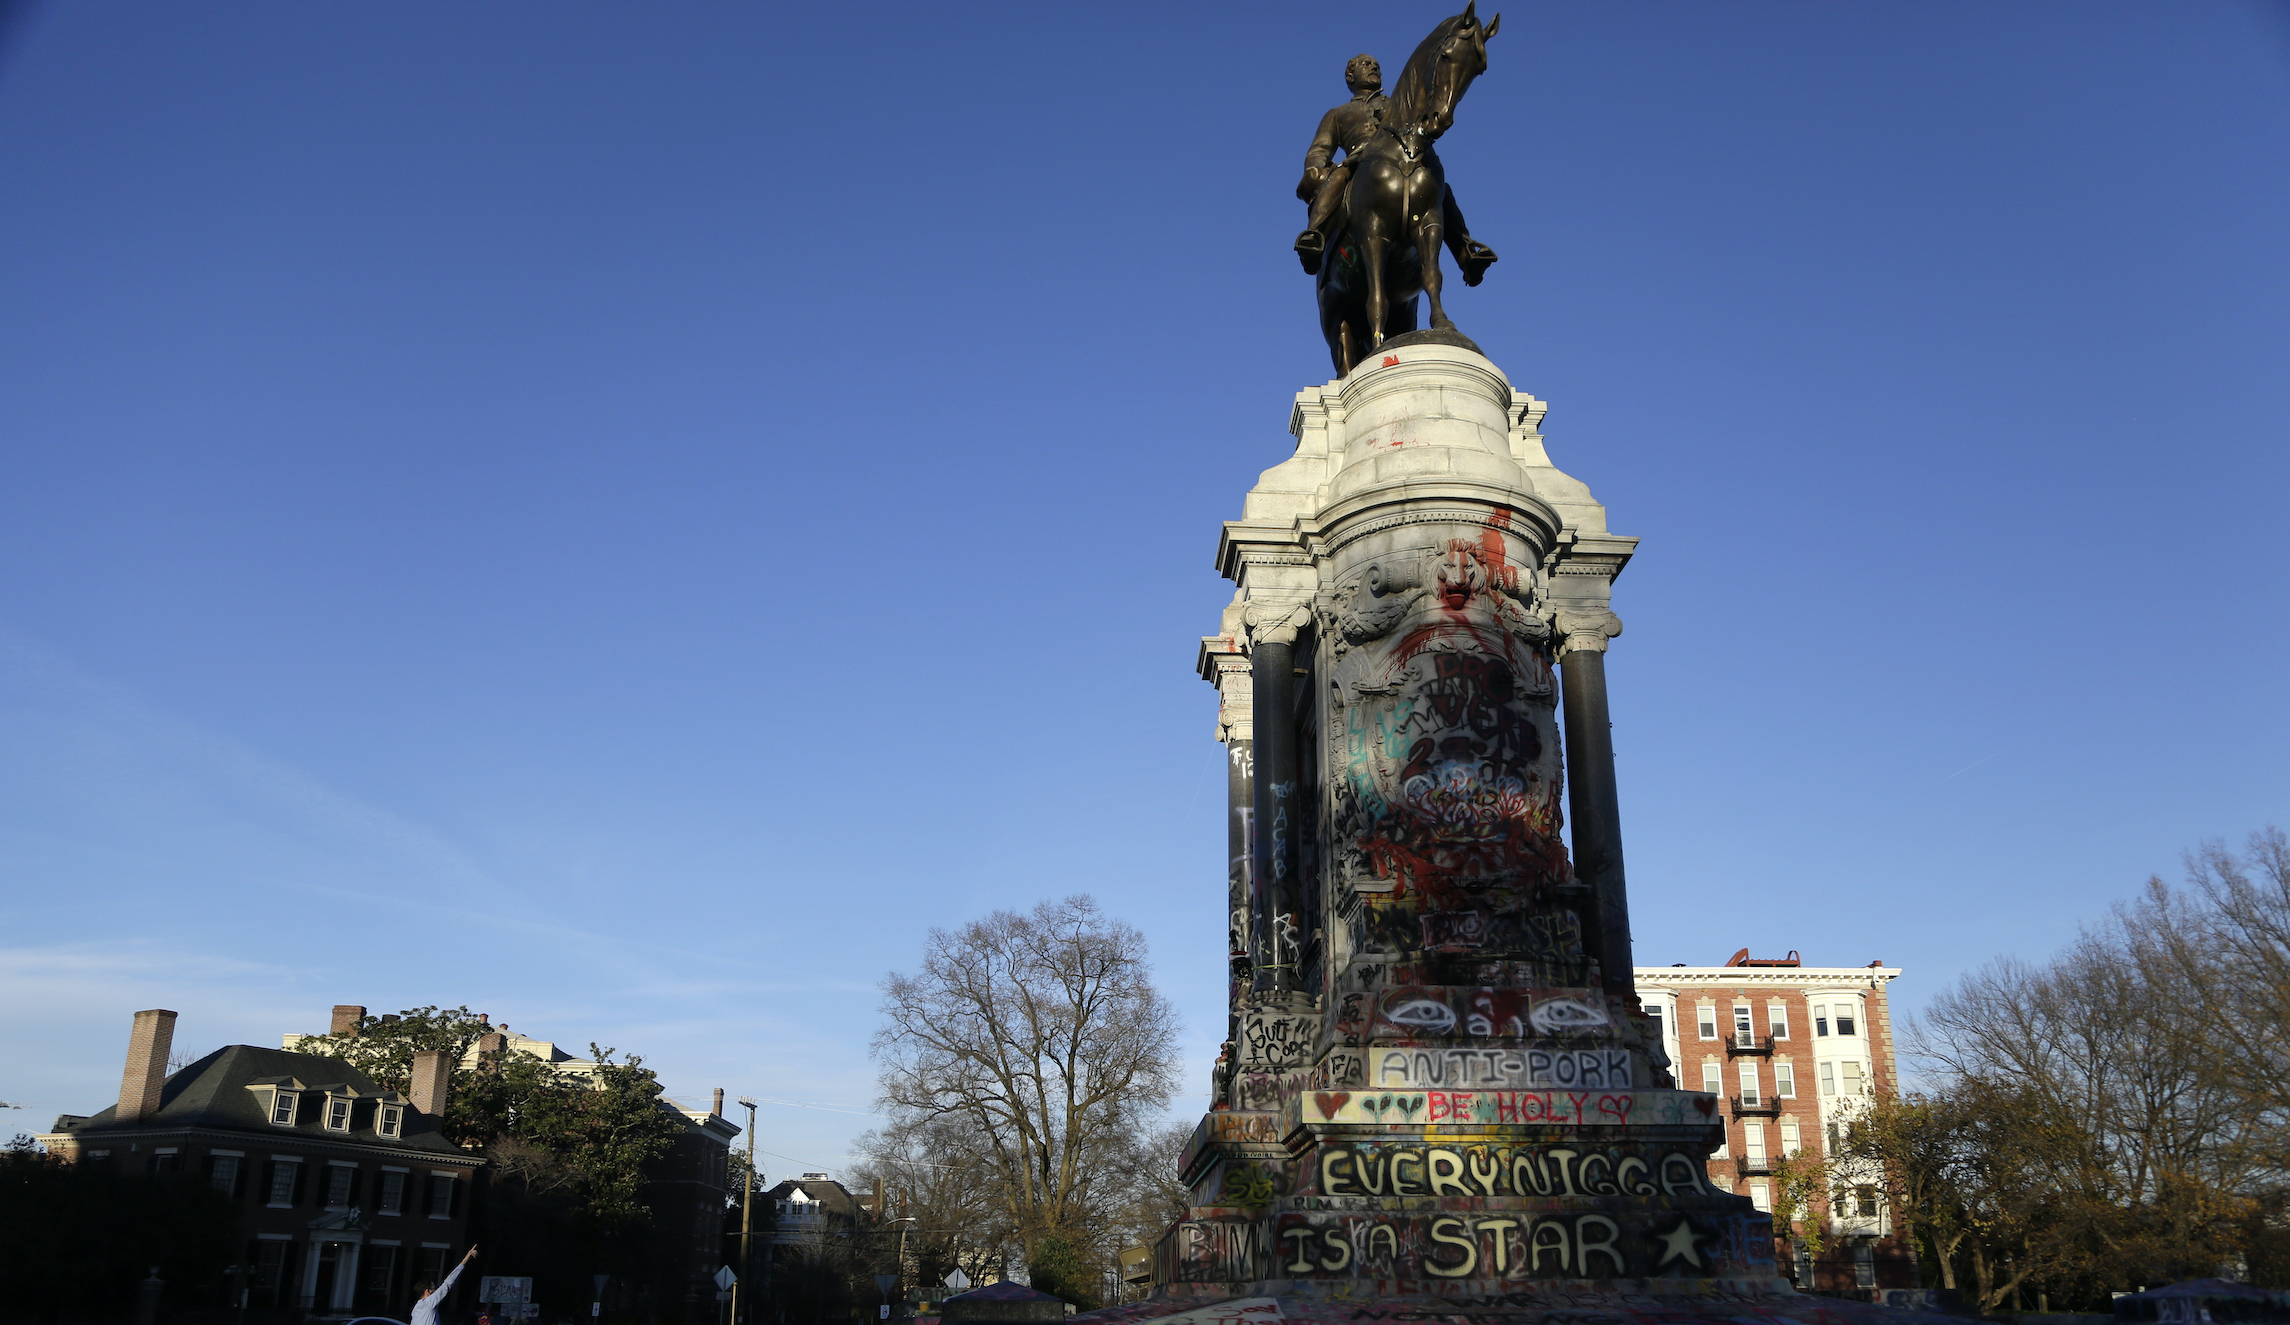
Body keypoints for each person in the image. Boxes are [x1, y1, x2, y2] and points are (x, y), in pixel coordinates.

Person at [1293, 54, 1497, 283]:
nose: (1373, 68)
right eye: (1366, 65)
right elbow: (1319, 150)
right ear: (1350, 76)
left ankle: (1465, 251)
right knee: (1338, 177)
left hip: (1402, 162)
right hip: (1358, 165)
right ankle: (1315, 236)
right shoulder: (1337, 114)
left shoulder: (1397, 103)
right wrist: (1315, 168)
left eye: (1376, 65)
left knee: (1438, 187)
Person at [412, 1245, 478, 1325]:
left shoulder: (415, 1309)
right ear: (427, 1291)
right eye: (433, 1288)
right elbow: (448, 1283)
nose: (435, 1290)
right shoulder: (429, 1302)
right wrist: (465, 1260)